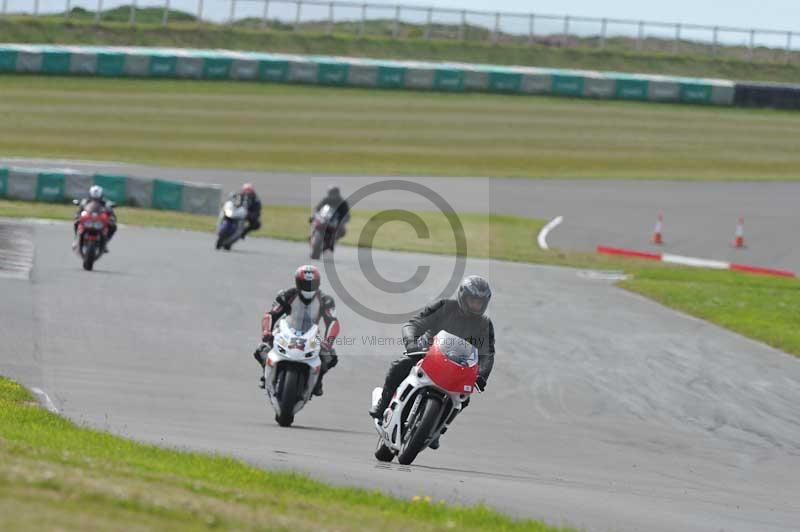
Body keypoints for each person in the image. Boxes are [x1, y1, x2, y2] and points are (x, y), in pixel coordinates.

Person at [369, 275, 495, 449]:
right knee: (399, 366)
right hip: (426, 353)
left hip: (457, 365)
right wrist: (412, 344)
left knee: (464, 398)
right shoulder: (444, 307)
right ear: (463, 297)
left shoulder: (484, 324)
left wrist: (481, 376)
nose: (475, 305)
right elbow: (413, 324)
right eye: (472, 300)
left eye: (479, 303)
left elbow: (488, 354)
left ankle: (438, 429)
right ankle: (383, 405)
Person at [253, 265, 341, 396]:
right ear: (297, 282)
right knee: (261, 349)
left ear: (318, 283)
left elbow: (332, 321)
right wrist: (267, 332)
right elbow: (271, 315)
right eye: (304, 283)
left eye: (311, 283)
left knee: (331, 356)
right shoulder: (286, 295)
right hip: (285, 331)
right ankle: (265, 375)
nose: (308, 287)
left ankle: (318, 381)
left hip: (311, 334)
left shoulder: (325, 300)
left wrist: (328, 342)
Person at [74, 185, 117, 252]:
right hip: (88, 219)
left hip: (99, 221)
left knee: (113, 226)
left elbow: (111, 212)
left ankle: (105, 243)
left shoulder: (105, 203)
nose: (95, 198)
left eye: (97, 196)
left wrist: (112, 218)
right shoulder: (85, 201)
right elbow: (79, 210)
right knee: (76, 222)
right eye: (94, 195)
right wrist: (77, 216)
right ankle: (76, 240)